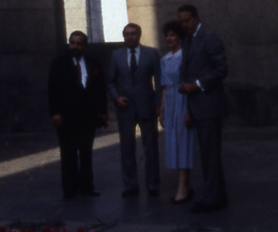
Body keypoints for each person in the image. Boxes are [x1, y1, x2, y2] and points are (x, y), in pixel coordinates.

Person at [177, 4, 228, 212]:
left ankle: (213, 199)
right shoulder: (188, 40)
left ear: (197, 18)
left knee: (211, 154)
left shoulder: (210, 38)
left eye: (187, 20)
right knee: (207, 154)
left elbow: (221, 69)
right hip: (196, 107)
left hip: (209, 105)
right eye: (181, 21)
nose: (184, 24)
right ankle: (214, 195)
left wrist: (196, 85)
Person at [48, 30, 108, 198]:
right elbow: (53, 90)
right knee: (68, 154)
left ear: (84, 46)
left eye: (79, 43)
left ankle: (87, 187)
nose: (75, 46)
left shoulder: (93, 62)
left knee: (86, 152)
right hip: (66, 116)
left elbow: (100, 89)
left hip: (87, 116)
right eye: (72, 43)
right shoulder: (58, 63)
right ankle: (70, 189)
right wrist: (55, 113)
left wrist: (102, 111)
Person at [107, 22, 161, 196]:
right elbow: (110, 81)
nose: (129, 37)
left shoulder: (152, 53)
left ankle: (152, 184)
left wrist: (159, 104)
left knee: (151, 148)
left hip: (147, 106)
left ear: (139, 35)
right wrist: (116, 97)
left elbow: (159, 82)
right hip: (125, 107)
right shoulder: (116, 55)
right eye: (126, 34)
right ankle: (130, 186)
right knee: (127, 148)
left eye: (133, 34)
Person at [158, 19, 195, 204]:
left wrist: (189, 111)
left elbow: (188, 82)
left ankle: (183, 187)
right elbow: (164, 86)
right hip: (171, 102)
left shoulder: (185, 56)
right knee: (174, 143)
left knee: (184, 142)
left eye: (173, 35)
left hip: (183, 100)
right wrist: (162, 111)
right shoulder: (164, 59)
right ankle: (185, 185)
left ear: (180, 37)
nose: (169, 38)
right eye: (167, 35)